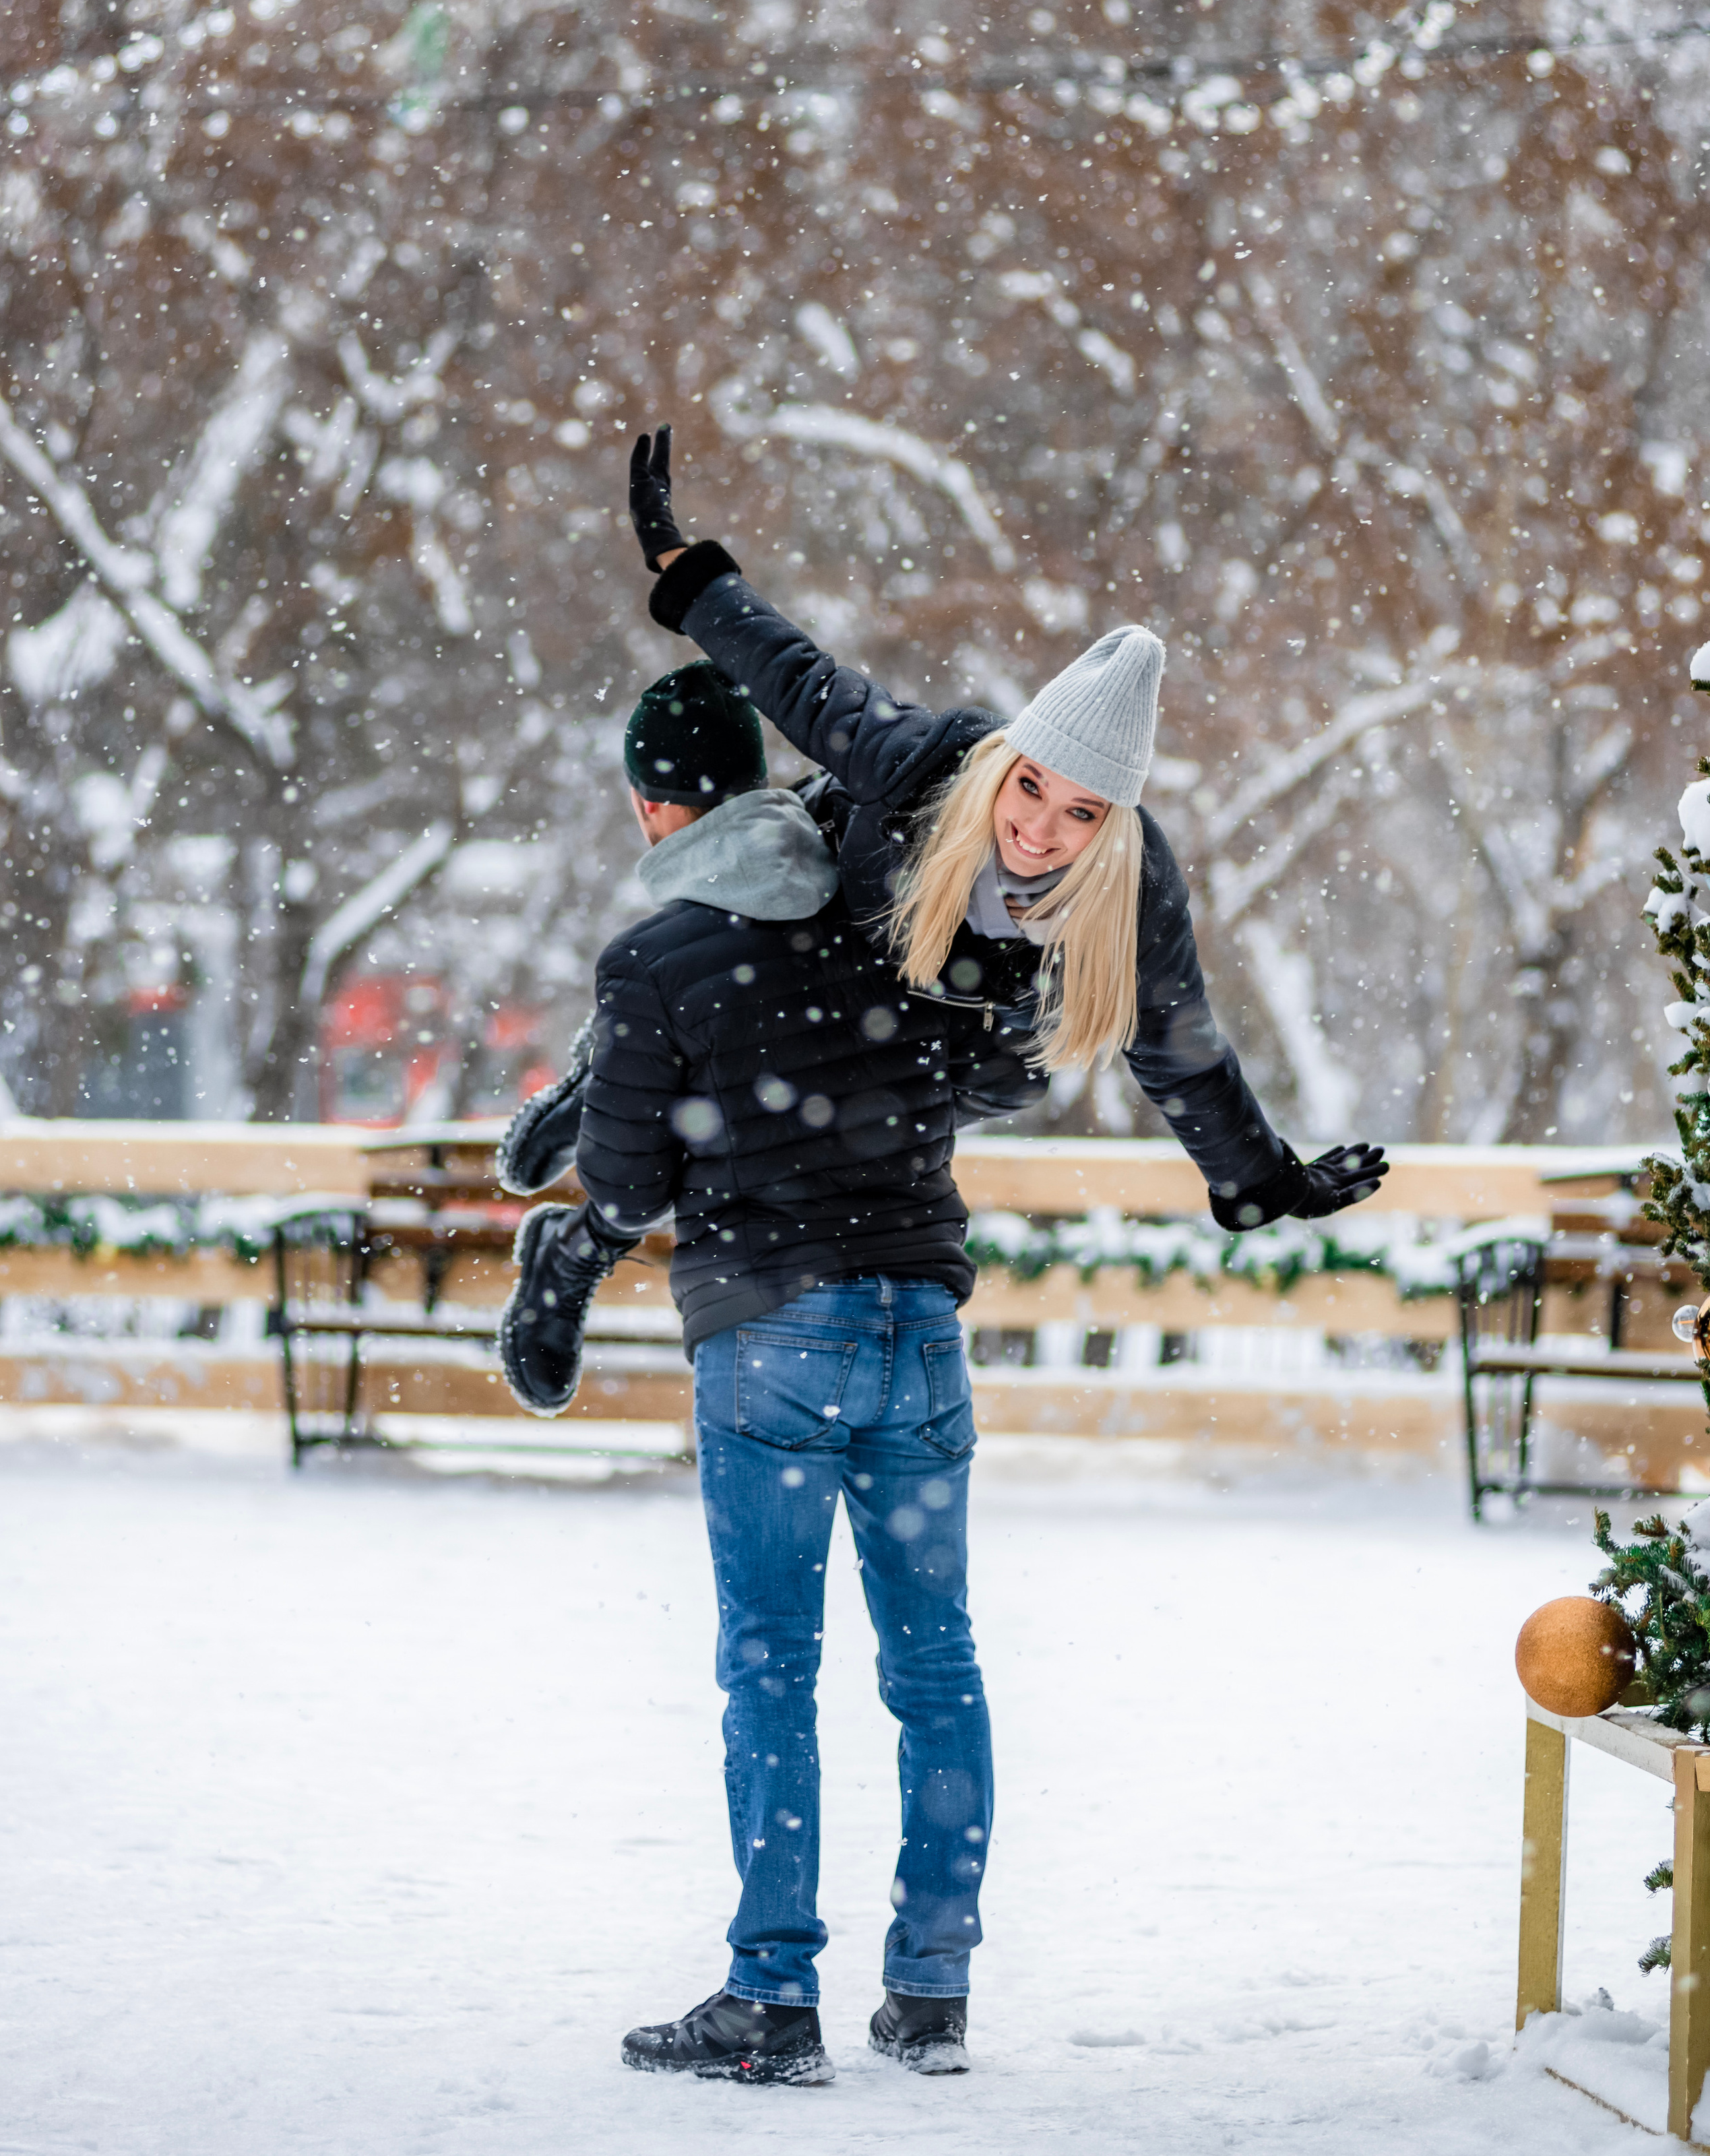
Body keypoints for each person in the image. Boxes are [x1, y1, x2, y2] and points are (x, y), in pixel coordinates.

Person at [498, 657, 1044, 2087]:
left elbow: (621, 1185)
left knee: (770, 1670)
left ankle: (771, 1994)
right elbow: (990, 1067)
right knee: (937, 1665)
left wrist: (594, 1179)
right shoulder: (889, 927)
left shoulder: (658, 960)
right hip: (917, 1331)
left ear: (650, 802)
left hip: (767, 1343)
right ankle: (929, 1990)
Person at [625, 424, 1387, 1231]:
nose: (1038, 827)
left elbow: (1180, 1052)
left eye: (1081, 811)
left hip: (933, 1057)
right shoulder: (925, 764)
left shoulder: (1133, 891)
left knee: (999, 1076)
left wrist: (1263, 1181)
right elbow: (798, 677)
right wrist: (685, 570)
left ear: (1111, 824)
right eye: (1031, 785)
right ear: (1005, 764)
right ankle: (605, 1095)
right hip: (822, 956)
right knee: (765, 887)